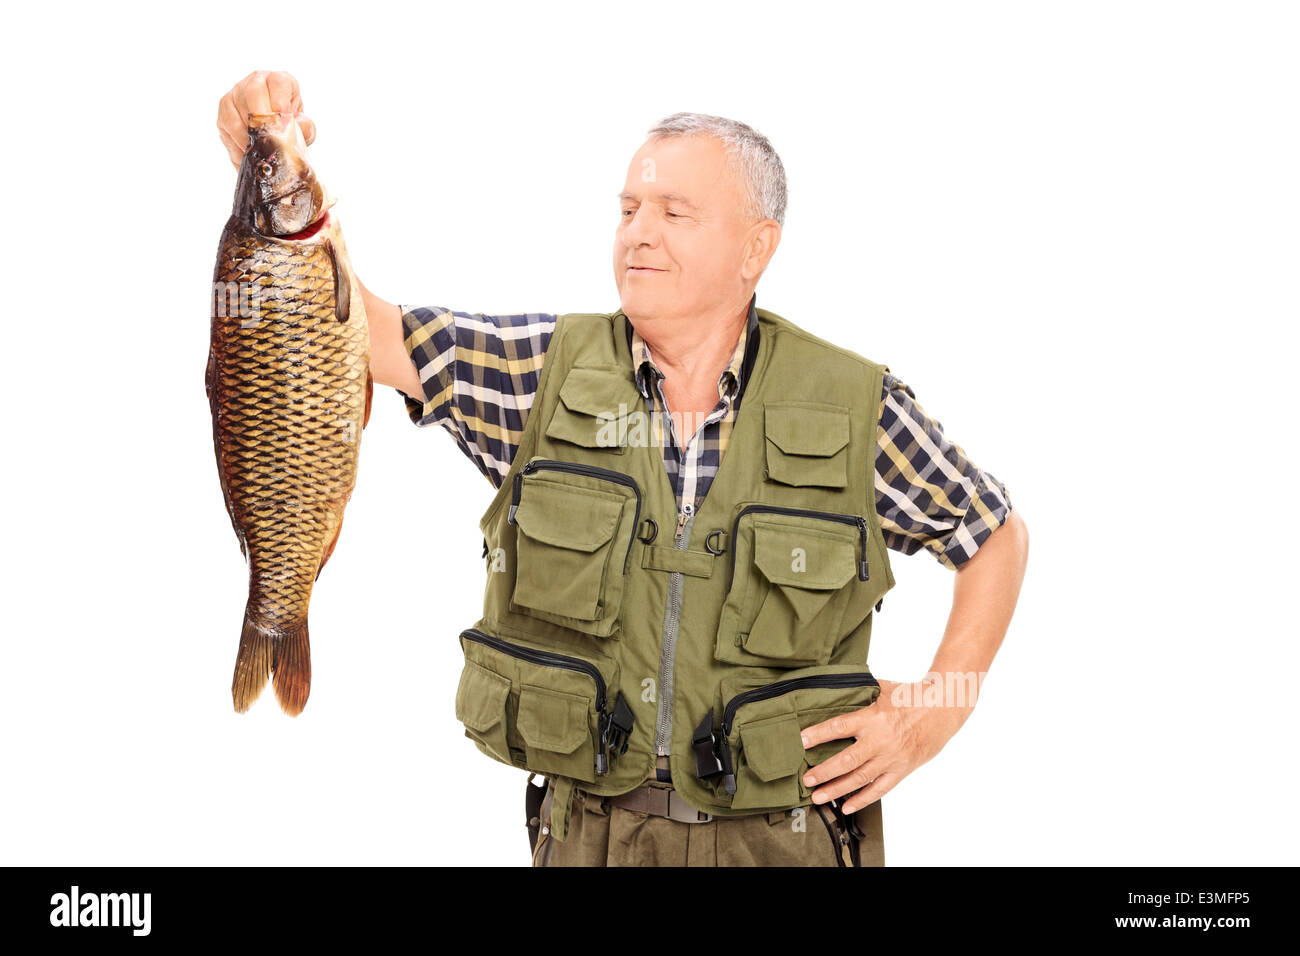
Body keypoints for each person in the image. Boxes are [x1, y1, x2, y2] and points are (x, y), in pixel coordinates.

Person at [216, 71, 1030, 867]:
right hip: (592, 840)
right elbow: (365, 332)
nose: (640, 232)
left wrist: (934, 712)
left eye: (676, 213)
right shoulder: (542, 374)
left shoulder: (854, 407)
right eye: (629, 209)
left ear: (757, 248)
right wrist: (263, 168)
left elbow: (994, 534)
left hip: (783, 843)